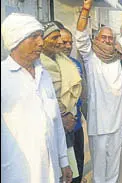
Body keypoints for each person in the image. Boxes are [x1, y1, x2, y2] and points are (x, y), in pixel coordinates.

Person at [1, 13, 72, 183]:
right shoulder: (3, 77)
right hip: (17, 173)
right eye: (33, 37)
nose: (40, 42)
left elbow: (55, 123)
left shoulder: (44, 74)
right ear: (16, 40)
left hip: (51, 172)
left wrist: (64, 161)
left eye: (40, 36)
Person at [75, 0, 122, 182]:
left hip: (116, 120)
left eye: (110, 37)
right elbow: (80, 36)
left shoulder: (117, 55)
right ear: (97, 39)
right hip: (98, 121)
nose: (108, 40)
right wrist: (86, 9)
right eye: (103, 37)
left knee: (114, 161)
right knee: (99, 164)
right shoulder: (90, 56)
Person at [40, 21, 82, 181]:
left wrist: (71, 115)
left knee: (72, 171)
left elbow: (77, 94)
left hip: (72, 125)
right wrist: (62, 116)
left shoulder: (67, 62)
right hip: (51, 127)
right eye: (55, 38)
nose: (60, 43)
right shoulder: (37, 65)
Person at [60, 26, 86, 183]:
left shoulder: (76, 63)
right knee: (66, 168)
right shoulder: (49, 66)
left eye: (70, 42)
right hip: (61, 128)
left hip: (76, 125)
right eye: (64, 42)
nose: (68, 46)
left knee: (78, 160)